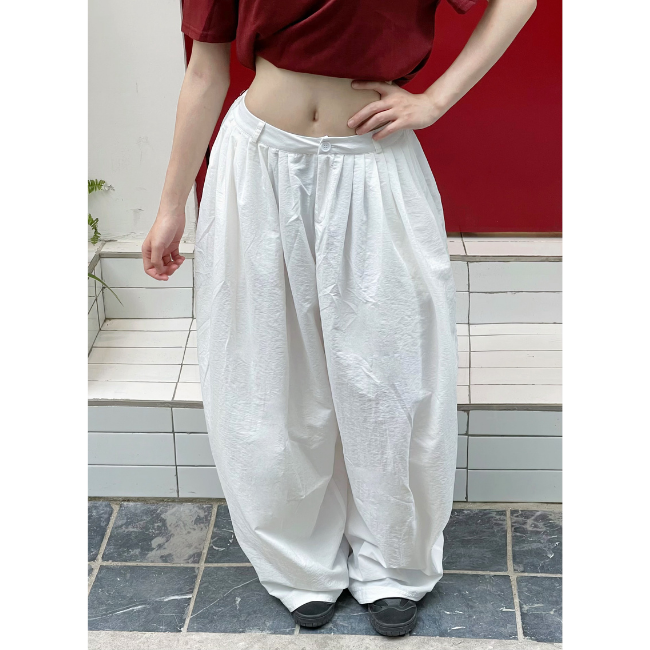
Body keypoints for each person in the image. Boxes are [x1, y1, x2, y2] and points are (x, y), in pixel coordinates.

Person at [142, 0, 537, 637]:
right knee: (268, 373)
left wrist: (435, 101)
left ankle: (393, 562)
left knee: (392, 378)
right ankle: (299, 563)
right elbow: (205, 70)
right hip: (258, 165)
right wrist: (170, 206)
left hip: (374, 165)